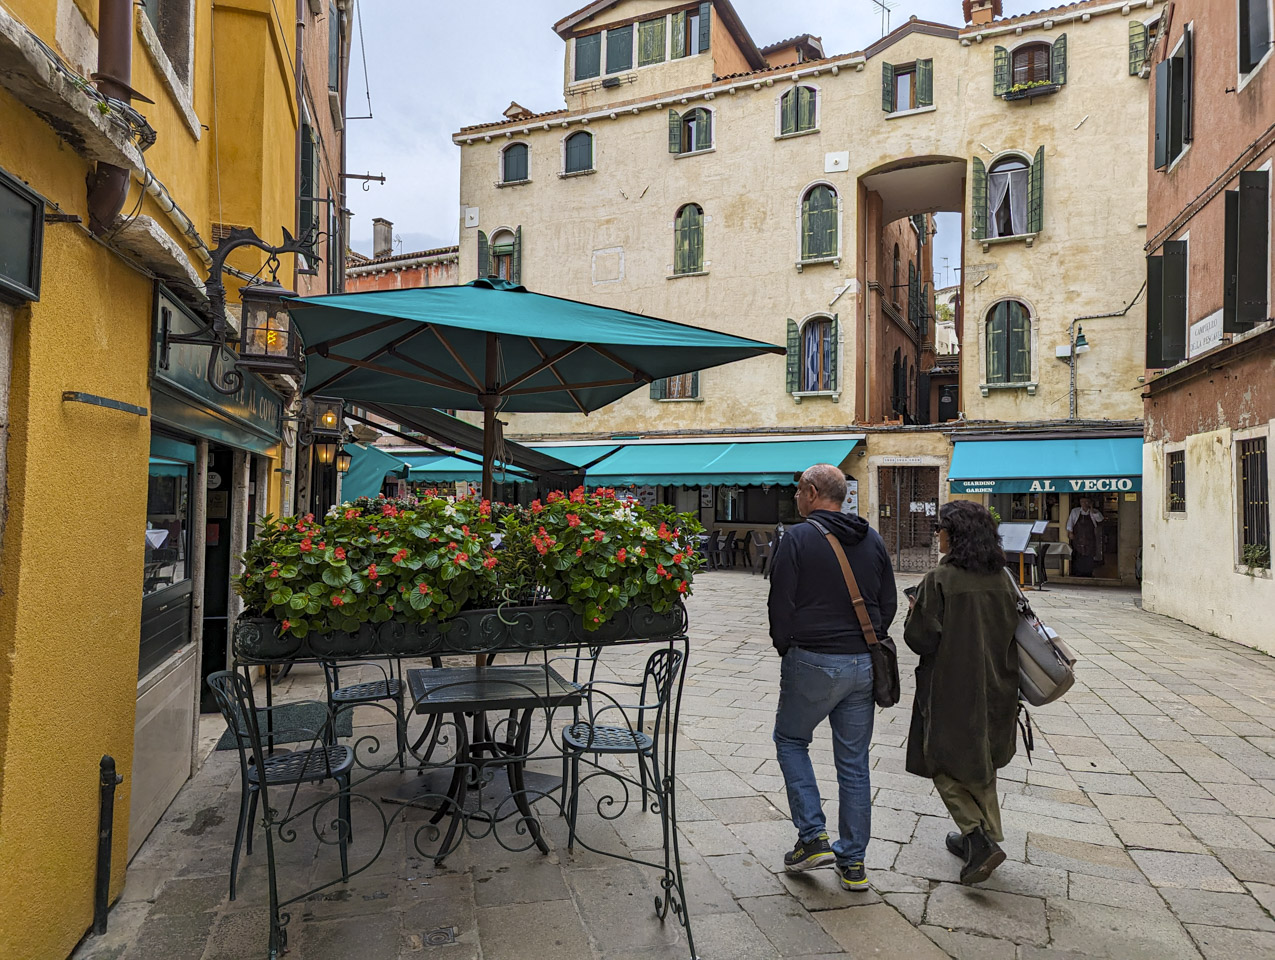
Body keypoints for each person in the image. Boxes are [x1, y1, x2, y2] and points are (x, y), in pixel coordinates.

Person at [768, 463, 897, 891]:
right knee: (854, 762)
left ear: (810, 491)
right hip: (863, 663)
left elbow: (780, 602)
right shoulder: (872, 538)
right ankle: (854, 862)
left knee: (790, 739)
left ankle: (812, 836)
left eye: (797, 491)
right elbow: (888, 601)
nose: (795, 498)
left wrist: (787, 645)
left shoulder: (797, 538)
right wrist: (869, 638)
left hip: (813, 657)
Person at [903, 500, 1020, 884]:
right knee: (982, 760)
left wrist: (913, 610)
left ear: (955, 534)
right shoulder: (1003, 578)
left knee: (943, 761)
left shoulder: (940, 580)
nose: (937, 534)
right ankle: (985, 836)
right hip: (999, 684)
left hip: (953, 687)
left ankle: (975, 836)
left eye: (940, 528)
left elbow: (920, 639)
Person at [1065, 496, 1104, 577]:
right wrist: (1070, 532)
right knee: (1078, 554)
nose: (1084, 504)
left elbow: (1100, 519)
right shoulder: (1075, 511)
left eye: (1086, 502)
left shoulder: (1094, 512)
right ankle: (1078, 573)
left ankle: (1088, 573)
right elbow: (1070, 522)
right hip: (1078, 537)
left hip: (1090, 538)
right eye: (1082, 502)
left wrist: (1092, 509)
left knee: (1089, 555)